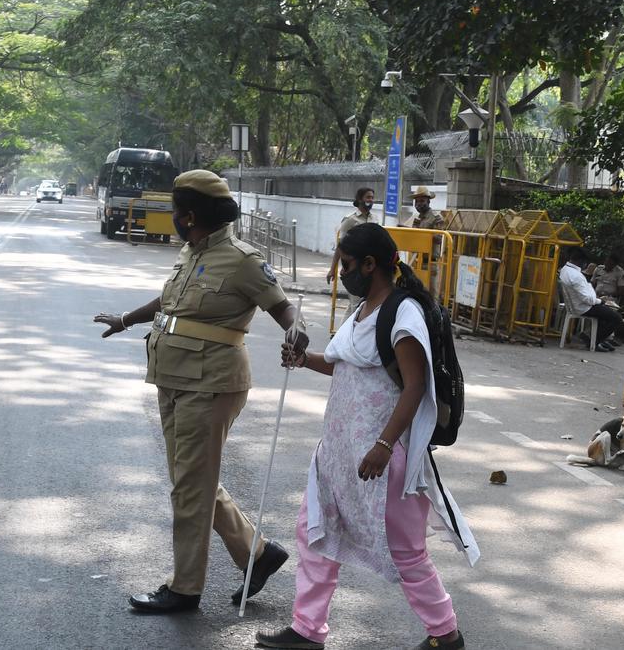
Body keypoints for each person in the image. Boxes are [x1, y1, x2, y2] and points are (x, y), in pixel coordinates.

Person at [94, 169, 310, 613]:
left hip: (211, 384)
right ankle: (258, 553)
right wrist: (126, 319)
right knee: (192, 481)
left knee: (190, 486)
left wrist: (297, 332)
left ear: (189, 216)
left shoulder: (243, 260)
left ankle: (185, 587)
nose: (173, 217)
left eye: (175, 211)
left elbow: (284, 308)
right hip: (173, 378)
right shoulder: (191, 253)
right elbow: (169, 303)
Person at [258, 223, 478, 650]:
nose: (341, 272)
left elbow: (415, 385)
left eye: (346, 264)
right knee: (314, 533)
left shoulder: (403, 314)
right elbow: (344, 363)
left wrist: (383, 445)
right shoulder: (362, 309)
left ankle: (446, 634)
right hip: (338, 454)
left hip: (383, 459)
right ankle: (307, 629)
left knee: (405, 550)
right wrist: (303, 359)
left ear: (370, 264)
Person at [559, 246, 622, 352]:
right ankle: (594, 341)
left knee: (606, 313)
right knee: (616, 318)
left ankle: (594, 337)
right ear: (581, 261)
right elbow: (588, 299)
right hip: (584, 307)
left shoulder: (565, 270)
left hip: (576, 304)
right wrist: (600, 301)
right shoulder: (576, 276)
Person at [327, 188, 377, 316]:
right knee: (357, 306)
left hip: (368, 268)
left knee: (355, 305)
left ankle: (344, 329)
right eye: (368, 197)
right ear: (360, 199)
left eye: (372, 197)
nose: (371, 200)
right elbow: (341, 246)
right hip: (354, 268)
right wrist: (332, 269)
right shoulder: (350, 220)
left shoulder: (374, 219)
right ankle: (354, 329)